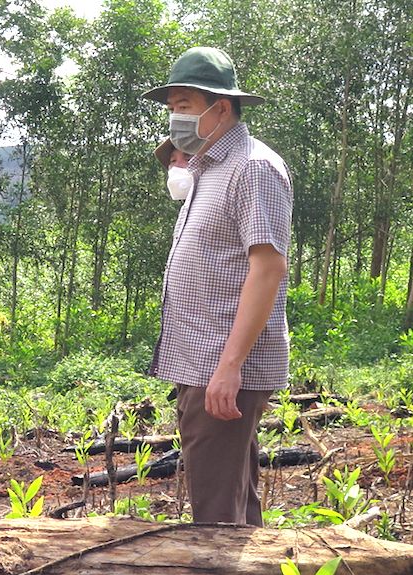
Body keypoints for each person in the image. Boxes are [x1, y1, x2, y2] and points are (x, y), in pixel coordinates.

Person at [142, 47, 293, 526]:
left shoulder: (254, 168)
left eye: (183, 105)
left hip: (221, 365)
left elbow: (268, 269)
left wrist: (230, 369)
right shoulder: (208, 168)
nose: (174, 117)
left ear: (220, 107)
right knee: (232, 504)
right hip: (202, 361)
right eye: (171, 108)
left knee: (215, 519)